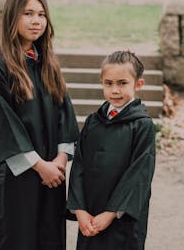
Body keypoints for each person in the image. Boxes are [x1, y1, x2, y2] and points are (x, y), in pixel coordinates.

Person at [0, 0, 79, 250]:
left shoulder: (48, 65)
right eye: (28, 13)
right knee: (17, 239)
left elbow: (64, 115)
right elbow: (4, 127)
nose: (36, 21)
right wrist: (40, 166)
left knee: (48, 238)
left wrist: (59, 160)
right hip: (18, 177)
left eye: (41, 14)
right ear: (12, 17)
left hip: (52, 174)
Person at [67, 50, 156, 250]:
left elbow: (139, 173)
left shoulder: (142, 126)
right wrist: (80, 210)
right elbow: (79, 166)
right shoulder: (93, 122)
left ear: (138, 84)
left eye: (122, 83)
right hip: (90, 216)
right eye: (108, 83)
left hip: (122, 220)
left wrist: (111, 213)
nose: (114, 90)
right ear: (101, 83)